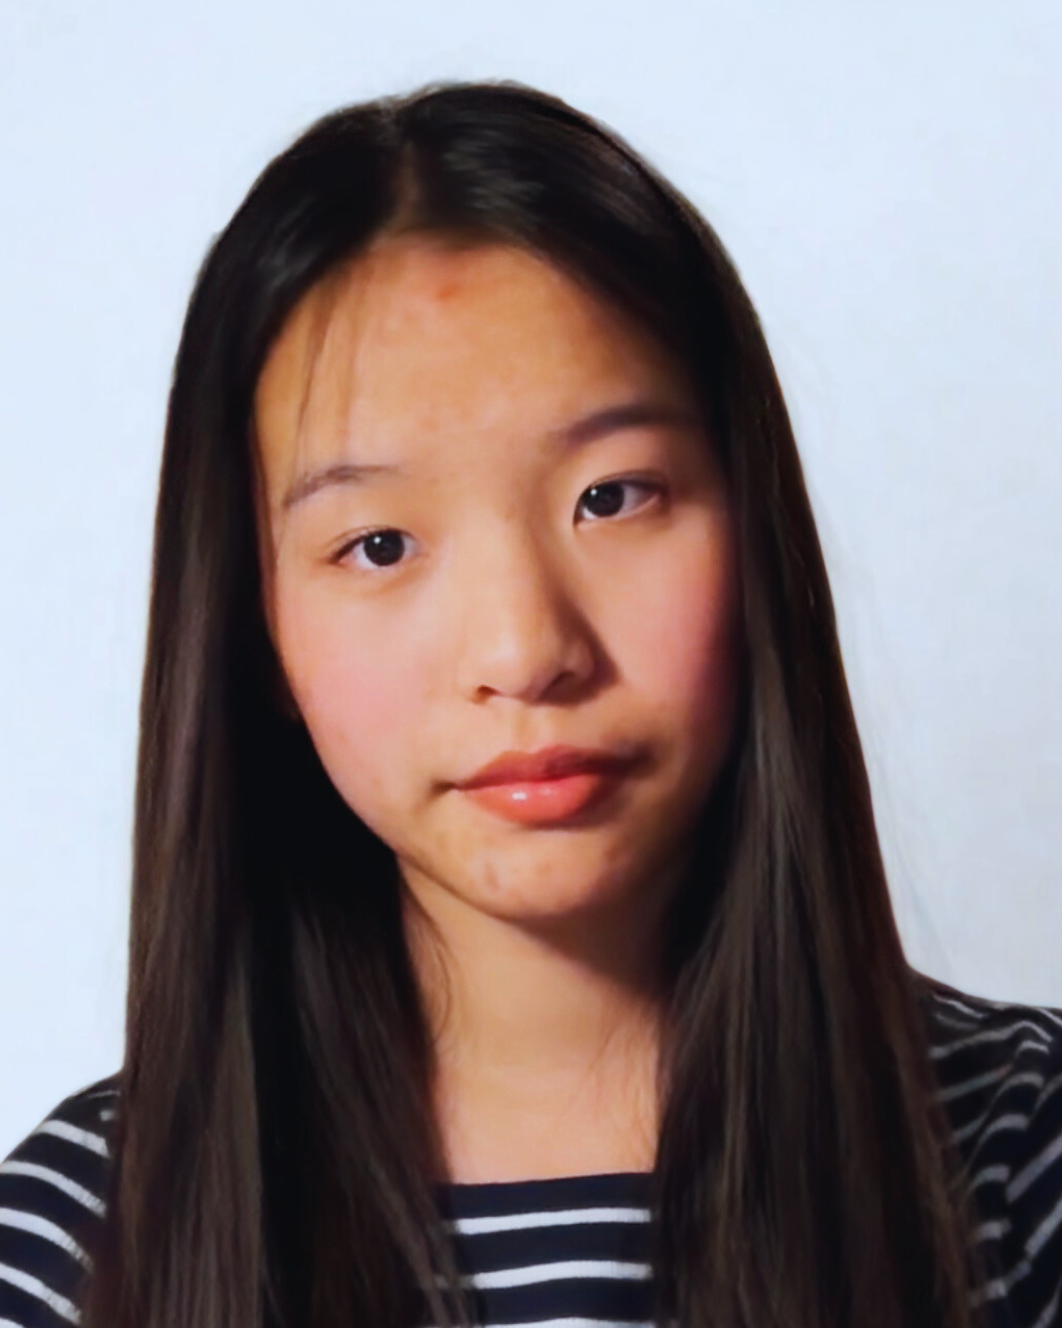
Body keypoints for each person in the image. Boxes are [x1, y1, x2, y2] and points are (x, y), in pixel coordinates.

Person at [0, 78, 1059, 1328]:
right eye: (380, 544)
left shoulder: (1021, 1155)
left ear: (755, 529)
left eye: (612, 497)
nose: (523, 649)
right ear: (255, 629)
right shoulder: (80, 1244)